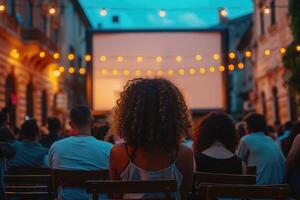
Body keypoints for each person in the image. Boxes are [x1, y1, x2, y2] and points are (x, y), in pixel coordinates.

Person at [110, 78, 194, 200]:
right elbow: (183, 196)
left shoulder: (118, 153)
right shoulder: (184, 154)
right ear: (173, 114)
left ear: (129, 114)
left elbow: (116, 196)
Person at [48, 105, 113, 200]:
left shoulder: (56, 147)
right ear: (92, 122)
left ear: (70, 124)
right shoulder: (108, 148)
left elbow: (52, 173)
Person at [237, 113, 285, 184]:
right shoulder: (270, 140)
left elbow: (237, 163)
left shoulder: (246, 140)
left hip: (260, 187)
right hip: (279, 186)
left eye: (245, 126)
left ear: (248, 127)